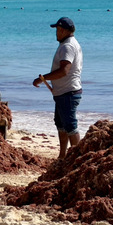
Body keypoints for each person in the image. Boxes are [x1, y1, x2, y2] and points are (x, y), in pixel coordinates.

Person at [33, 16, 83, 159]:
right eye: (57, 30)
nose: (56, 32)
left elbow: (64, 70)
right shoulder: (67, 43)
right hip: (62, 92)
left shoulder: (68, 46)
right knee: (60, 124)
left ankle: (76, 159)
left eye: (59, 30)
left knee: (70, 126)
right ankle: (62, 156)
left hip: (69, 92)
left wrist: (43, 79)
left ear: (66, 31)